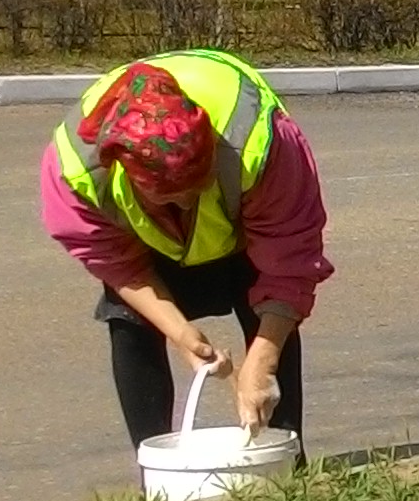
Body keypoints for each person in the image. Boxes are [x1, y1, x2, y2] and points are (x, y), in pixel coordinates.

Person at [39, 48, 332, 455]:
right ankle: (157, 476)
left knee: (270, 314)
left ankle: (285, 463)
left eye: (198, 187)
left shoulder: (260, 141)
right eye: (172, 198)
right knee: (129, 321)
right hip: (149, 246)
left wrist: (261, 363)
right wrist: (179, 333)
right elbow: (115, 262)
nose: (188, 205)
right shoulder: (74, 171)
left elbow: (290, 259)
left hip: (246, 232)